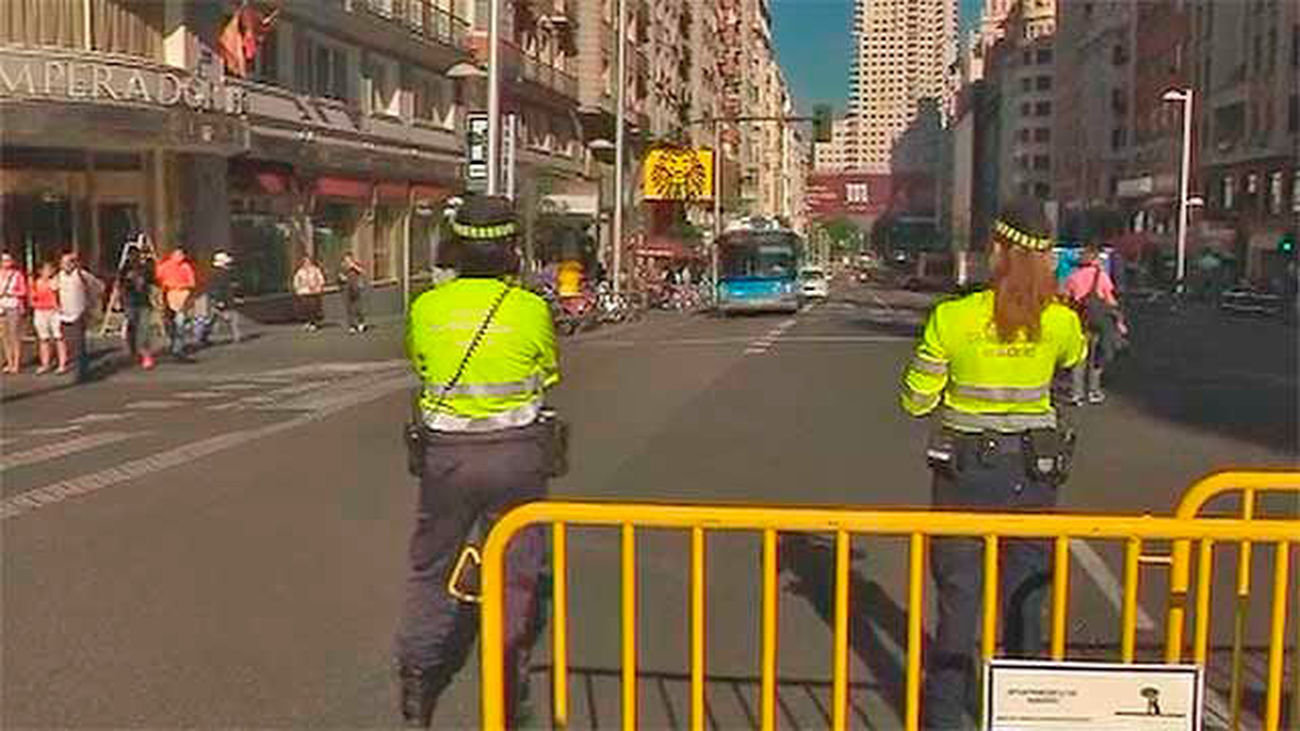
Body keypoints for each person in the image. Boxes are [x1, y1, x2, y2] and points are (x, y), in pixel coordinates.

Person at [900, 198, 1087, 731]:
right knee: (1027, 600)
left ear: (998, 251)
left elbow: (915, 400)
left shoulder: (952, 319)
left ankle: (943, 719)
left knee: (959, 606)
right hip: (1034, 473)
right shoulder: (1060, 322)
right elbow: (1072, 367)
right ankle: (1023, 715)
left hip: (963, 474)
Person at [394, 196, 560, 728]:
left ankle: (418, 680)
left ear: (455, 248)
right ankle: (508, 682)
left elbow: (421, 365)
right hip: (517, 455)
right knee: (517, 570)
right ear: (513, 250)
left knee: (431, 568)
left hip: (447, 459)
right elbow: (547, 374)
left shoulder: (426, 307)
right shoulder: (530, 308)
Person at [1063, 244, 1126, 405]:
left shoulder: (1072, 277)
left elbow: (1066, 300)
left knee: (1080, 357)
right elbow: (1110, 300)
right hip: (1100, 320)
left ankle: (1076, 394)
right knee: (1098, 356)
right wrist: (1119, 320)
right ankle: (1093, 390)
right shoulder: (1102, 277)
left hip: (1081, 321)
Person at [55, 252, 103, 381]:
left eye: (68, 262)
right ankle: (79, 366)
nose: (65, 265)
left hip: (79, 313)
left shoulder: (82, 275)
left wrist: (90, 303)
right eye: (63, 263)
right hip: (64, 315)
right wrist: (57, 306)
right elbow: (54, 290)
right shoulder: (58, 276)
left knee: (79, 344)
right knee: (69, 344)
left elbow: (99, 287)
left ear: (74, 263)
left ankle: (81, 372)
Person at [116, 245, 157, 369]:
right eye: (132, 255)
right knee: (132, 326)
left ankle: (146, 354)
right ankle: (133, 349)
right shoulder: (125, 269)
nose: (134, 258)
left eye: (136, 255)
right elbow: (120, 285)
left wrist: (149, 270)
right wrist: (120, 300)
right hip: (130, 302)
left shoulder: (144, 268)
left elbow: (152, 280)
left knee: (144, 328)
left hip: (143, 302)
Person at [155, 246, 198, 360]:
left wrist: (181, 287)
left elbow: (192, 283)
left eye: (182, 255)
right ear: (172, 255)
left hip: (181, 297)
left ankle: (177, 349)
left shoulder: (186, 267)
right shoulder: (164, 266)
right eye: (178, 255)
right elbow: (157, 279)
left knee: (180, 323)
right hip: (167, 296)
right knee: (169, 323)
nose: (180, 257)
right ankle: (174, 343)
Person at [199, 251, 242, 346]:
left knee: (229, 318)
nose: (229, 264)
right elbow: (215, 288)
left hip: (226, 299)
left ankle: (236, 336)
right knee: (217, 318)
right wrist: (218, 300)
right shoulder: (217, 274)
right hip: (221, 299)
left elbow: (231, 287)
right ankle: (204, 336)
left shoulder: (226, 273)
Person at [30, 261, 65, 374]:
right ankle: (45, 363)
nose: (48, 272)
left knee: (58, 337)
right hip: (40, 311)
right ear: (40, 271)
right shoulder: (36, 283)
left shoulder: (56, 282)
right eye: (46, 269)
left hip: (54, 312)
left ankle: (62, 364)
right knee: (43, 338)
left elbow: (59, 295)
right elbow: (32, 299)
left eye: (50, 269)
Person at [0, 252, 29, 374]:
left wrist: (11, 293)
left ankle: (16, 363)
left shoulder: (17, 275)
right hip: (1, 306)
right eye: (4, 260)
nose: (6, 263)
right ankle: (9, 361)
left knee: (14, 335)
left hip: (14, 306)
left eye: (8, 260)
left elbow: (23, 291)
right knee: (4, 336)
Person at [292, 256, 326, 331]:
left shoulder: (316, 270)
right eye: (305, 262)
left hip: (314, 291)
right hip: (304, 291)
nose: (307, 263)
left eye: (308, 262)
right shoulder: (300, 271)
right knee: (305, 308)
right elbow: (296, 281)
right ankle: (307, 322)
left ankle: (313, 323)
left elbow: (321, 279)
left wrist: (318, 286)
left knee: (313, 307)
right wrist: (298, 289)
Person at [339, 252, 367, 334]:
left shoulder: (356, 265)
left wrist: (354, 266)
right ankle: (351, 325)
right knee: (349, 307)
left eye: (349, 259)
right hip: (346, 288)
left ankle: (361, 323)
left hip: (356, 287)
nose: (347, 261)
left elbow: (363, 272)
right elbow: (339, 276)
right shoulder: (342, 267)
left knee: (358, 306)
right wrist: (342, 278)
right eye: (346, 259)